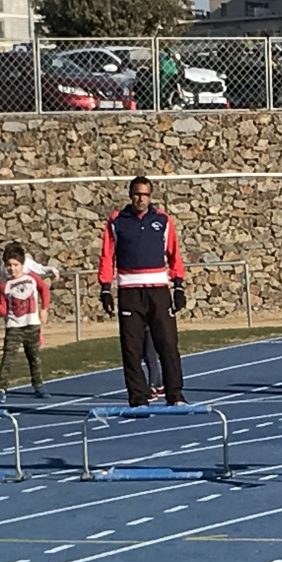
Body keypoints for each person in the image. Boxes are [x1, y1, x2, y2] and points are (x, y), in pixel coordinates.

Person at [99, 175, 187, 408]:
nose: (141, 199)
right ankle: (138, 397)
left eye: (145, 195)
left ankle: (175, 394)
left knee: (168, 344)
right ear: (130, 195)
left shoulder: (162, 220)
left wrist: (178, 285)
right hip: (130, 292)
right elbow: (107, 256)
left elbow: (174, 254)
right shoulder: (117, 221)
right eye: (137, 194)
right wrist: (105, 288)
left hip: (158, 291)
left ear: (150, 196)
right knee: (131, 348)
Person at [0, 243, 51, 403]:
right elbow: (4, 310)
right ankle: (1, 389)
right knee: (8, 359)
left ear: (22, 264)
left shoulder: (31, 278)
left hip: (32, 325)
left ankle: (38, 385)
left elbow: (44, 290)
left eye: (15, 265)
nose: (12, 268)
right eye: (9, 265)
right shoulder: (4, 286)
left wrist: (45, 309)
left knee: (34, 357)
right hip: (14, 327)